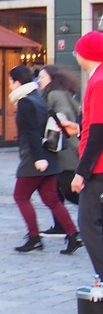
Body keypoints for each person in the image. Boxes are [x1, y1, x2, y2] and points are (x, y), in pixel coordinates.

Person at [8, 65, 82, 254]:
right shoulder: (39, 98)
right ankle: (73, 235)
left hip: (36, 158)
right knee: (52, 199)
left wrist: (38, 159)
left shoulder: (25, 102)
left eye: (10, 82)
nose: (9, 86)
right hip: (50, 155)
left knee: (21, 196)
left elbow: (31, 132)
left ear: (17, 82)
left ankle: (34, 238)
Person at [37, 65, 82, 238]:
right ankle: (60, 225)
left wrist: (53, 130)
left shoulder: (55, 94)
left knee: (70, 190)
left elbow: (64, 114)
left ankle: (93, 218)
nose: (39, 80)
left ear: (52, 79)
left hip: (65, 151)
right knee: (54, 190)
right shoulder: (57, 92)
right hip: (63, 151)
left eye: (42, 76)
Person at [72, 31, 103, 274]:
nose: (74, 54)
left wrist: (82, 172)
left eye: (77, 50)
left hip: (98, 168)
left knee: (88, 223)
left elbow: (99, 133)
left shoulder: (99, 81)